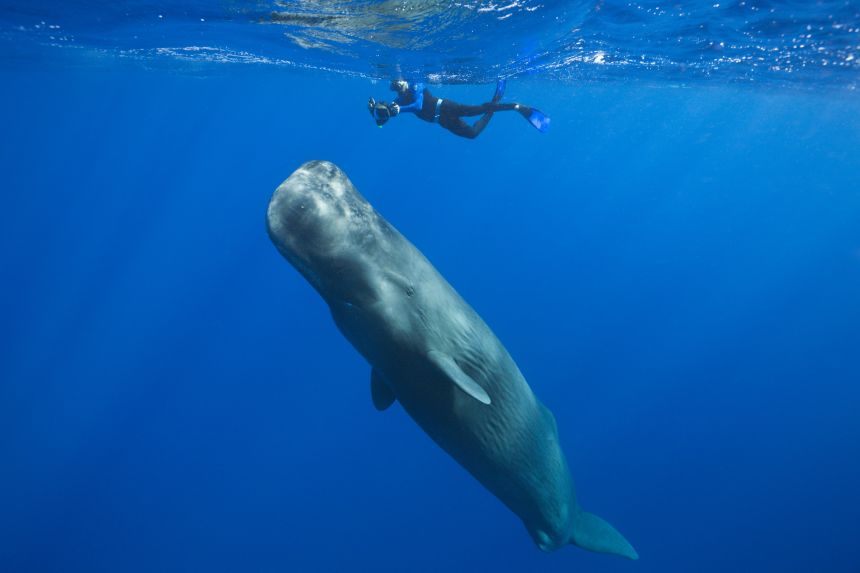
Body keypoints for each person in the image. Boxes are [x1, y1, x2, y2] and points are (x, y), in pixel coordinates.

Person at [368, 79, 550, 139]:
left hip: (447, 108)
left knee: (477, 110)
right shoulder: (399, 99)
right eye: (397, 86)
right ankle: (495, 102)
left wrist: (399, 110)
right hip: (442, 121)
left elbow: (418, 105)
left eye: (400, 84)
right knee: (473, 134)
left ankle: (517, 107)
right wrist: (377, 112)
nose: (400, 87)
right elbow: (385, 117)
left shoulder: (417, 85)